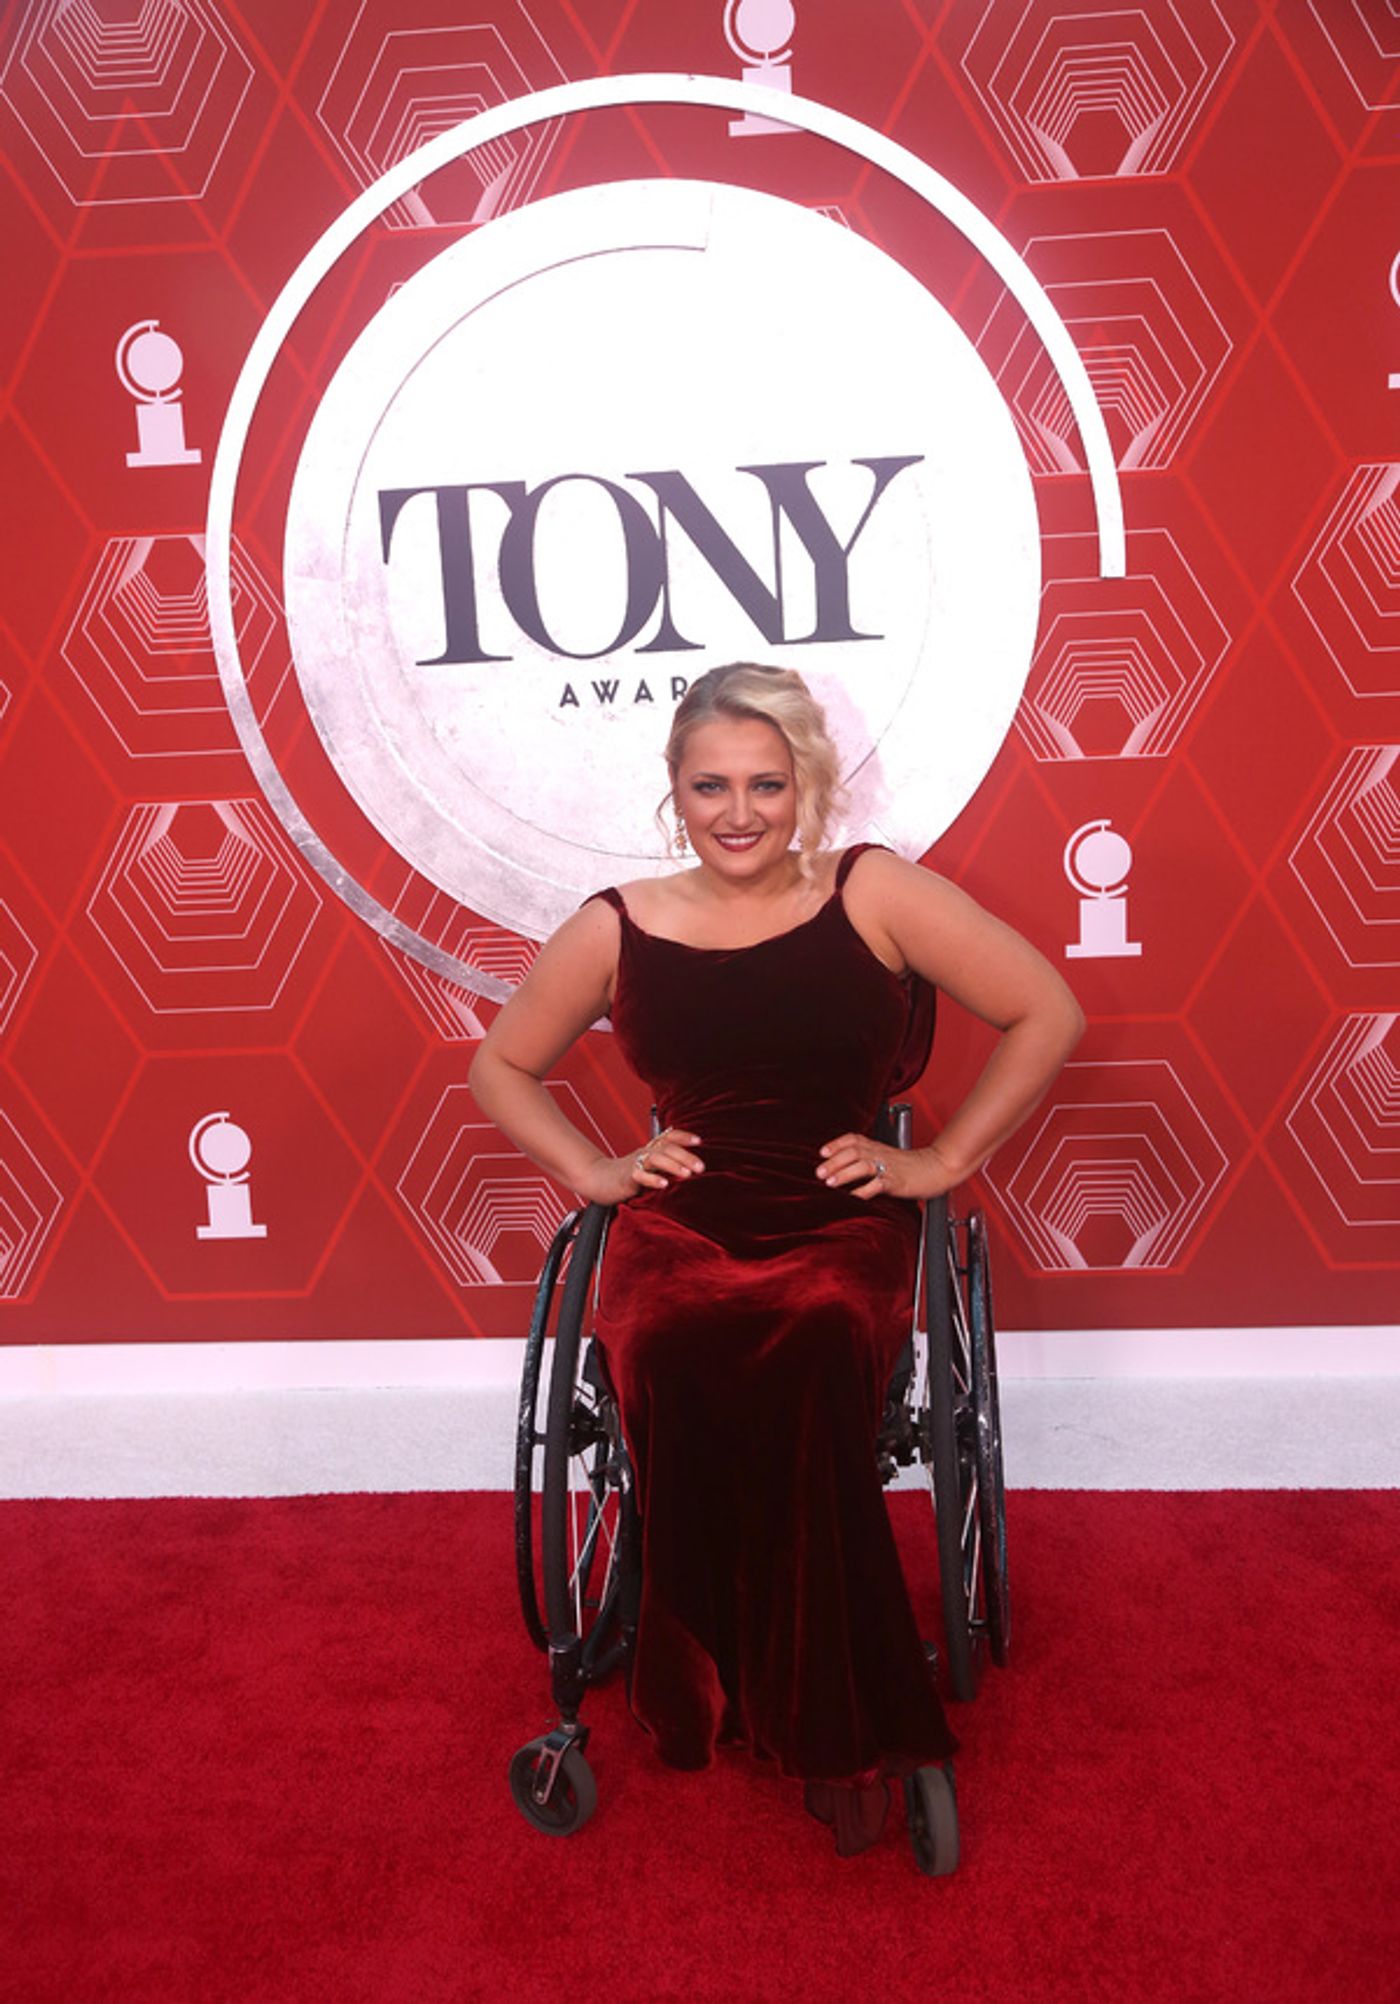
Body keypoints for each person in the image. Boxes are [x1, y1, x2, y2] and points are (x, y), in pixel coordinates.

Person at [470, 662, 1083, 1857]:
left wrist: (939, 1158)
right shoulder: (617, 924)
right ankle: (710, 1661)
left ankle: (817, 1684)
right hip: (684, 1214)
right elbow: (500, 1065)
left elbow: (1045, 1009)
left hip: (833, 1208)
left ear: (806, 785)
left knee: (812, 1337)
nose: (739, 811)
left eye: (766, 783)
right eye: (711, 786)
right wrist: (595, 1169)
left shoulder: (873, 891)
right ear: (675, 790)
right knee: (664, 1340)